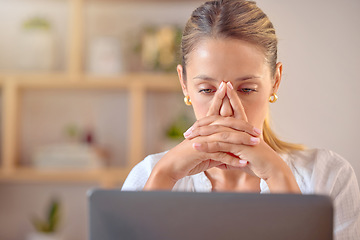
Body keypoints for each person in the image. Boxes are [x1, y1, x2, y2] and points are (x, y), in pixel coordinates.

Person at [122, 0, 360, 239]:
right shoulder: (148, 176)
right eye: (207, 89)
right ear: (184, 84)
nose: (226, 112)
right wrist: (164, 176)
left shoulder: (328, 177)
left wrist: (279, 177)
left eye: (246, 89)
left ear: (275, 81)